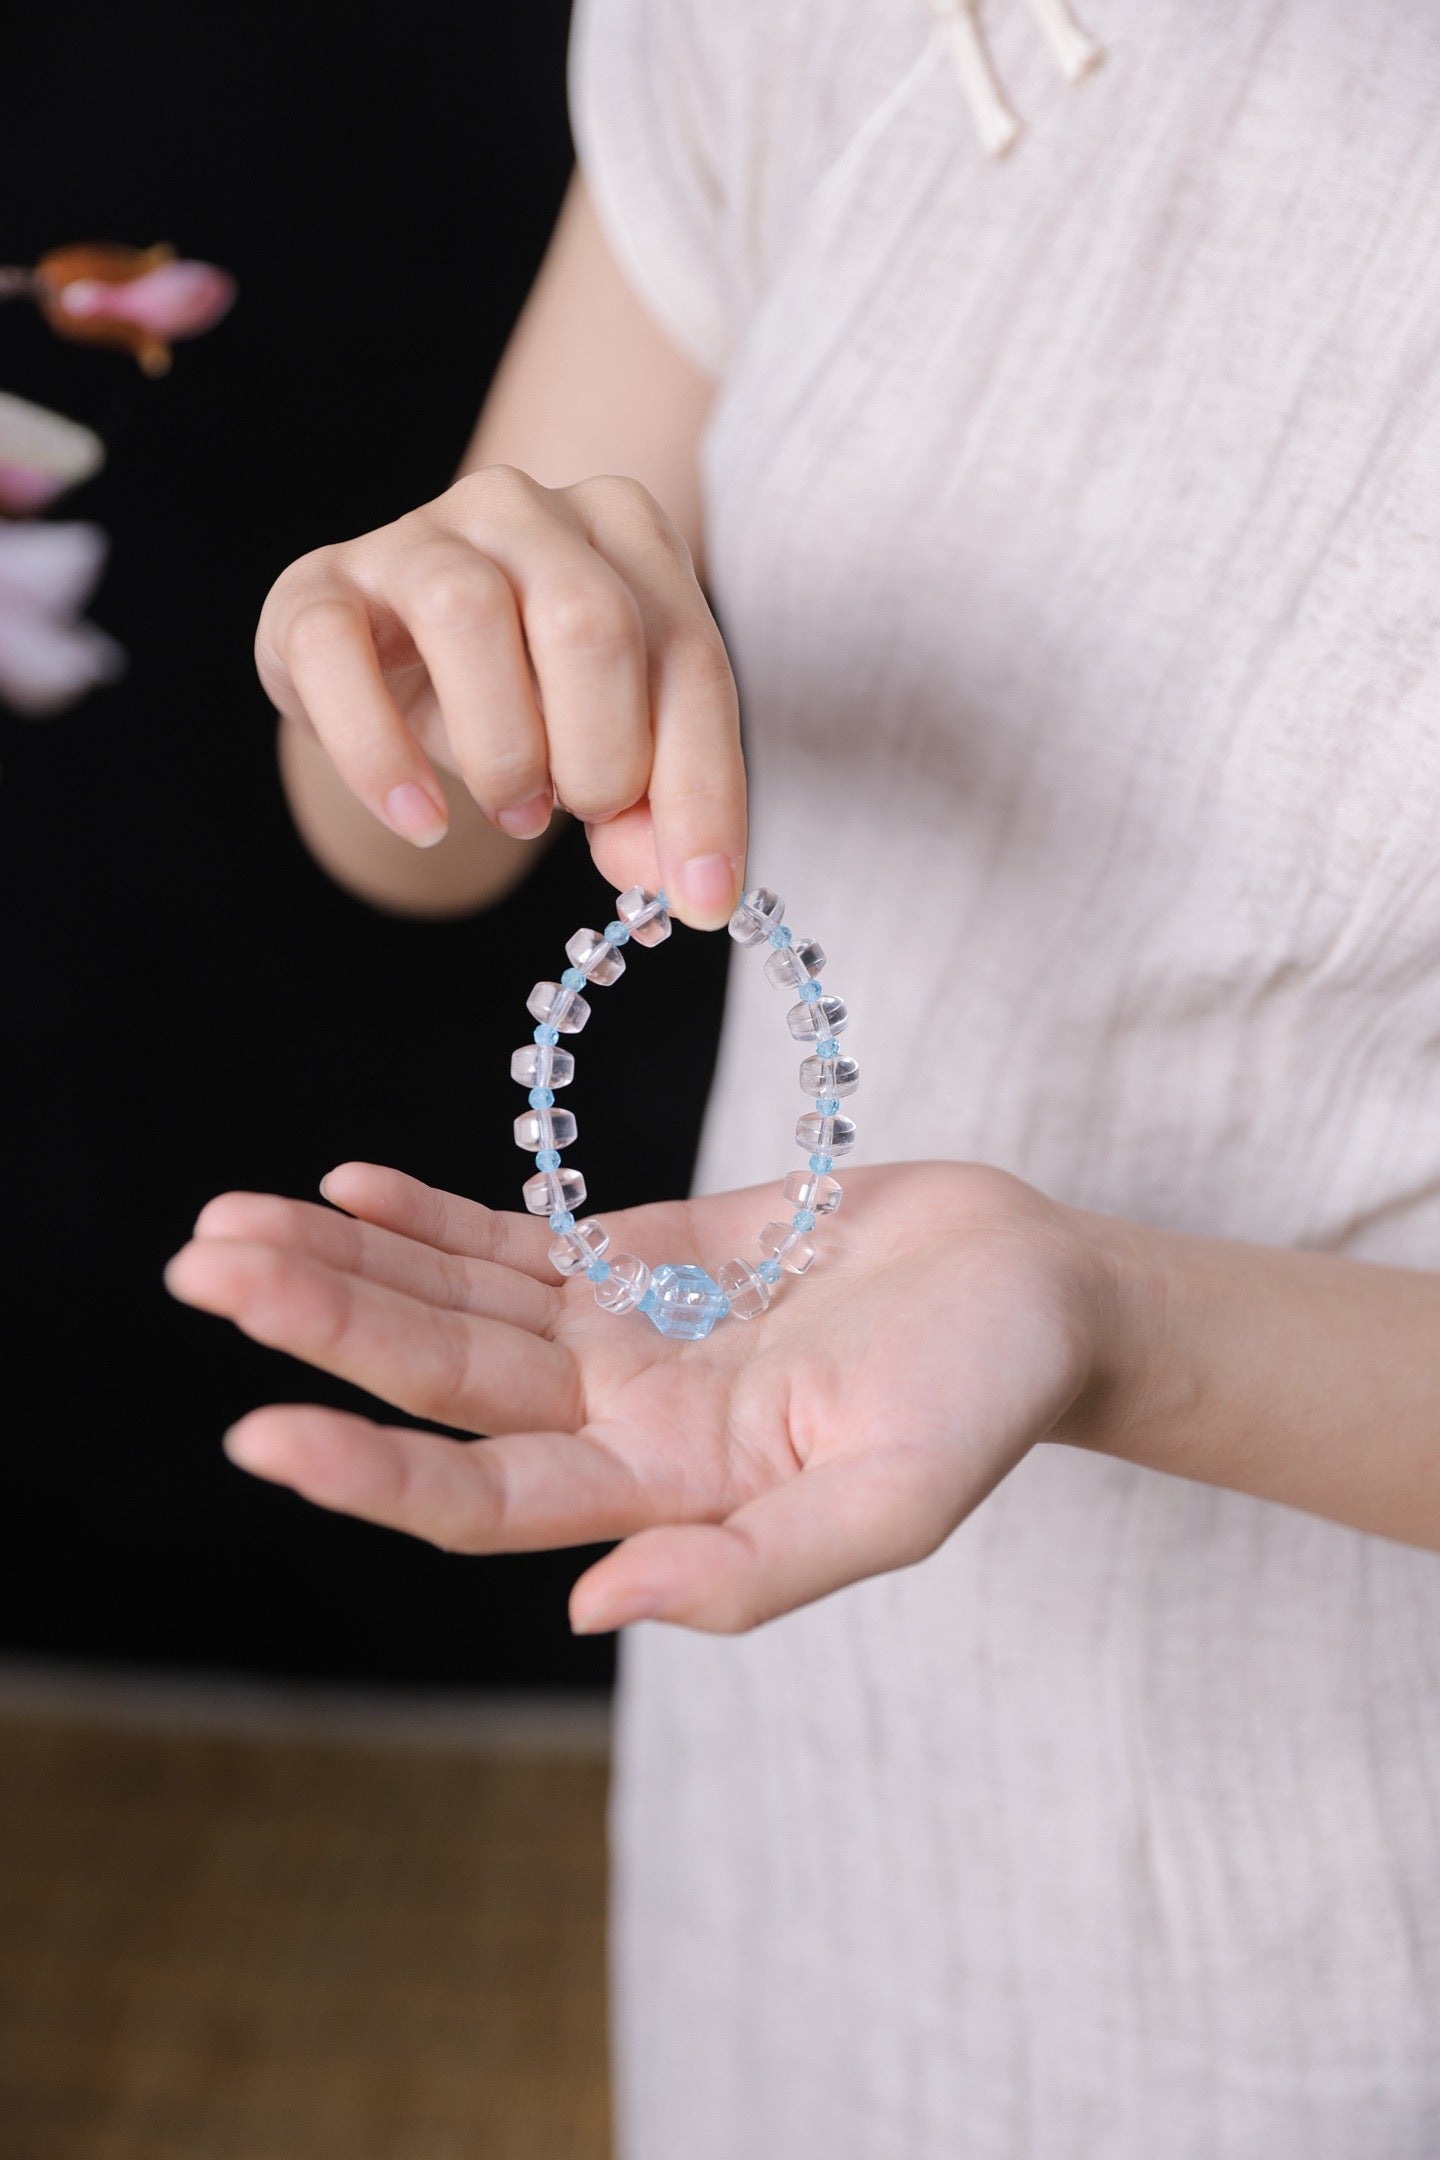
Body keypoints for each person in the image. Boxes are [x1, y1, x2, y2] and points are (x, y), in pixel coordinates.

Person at [166, 1, 1440, 2151]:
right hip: (806, 1721)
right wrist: (417, 650)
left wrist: (1120, 1321)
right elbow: (377, 820)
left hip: (1345, 1902)